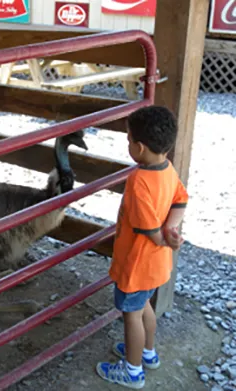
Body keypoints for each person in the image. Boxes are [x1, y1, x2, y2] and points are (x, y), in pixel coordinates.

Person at [96, 105, 188, 389]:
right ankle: (147, 353)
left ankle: (133, 371)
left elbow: (150, 232)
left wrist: (165, 237)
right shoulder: (167, 169)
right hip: (156, 265)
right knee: (144, 305)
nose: (128, 146)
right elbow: (181, 201)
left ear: (139, 147)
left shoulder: (138, 182)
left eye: (128, 141)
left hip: (136, 265)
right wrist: (172, 231)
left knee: (131, 315)